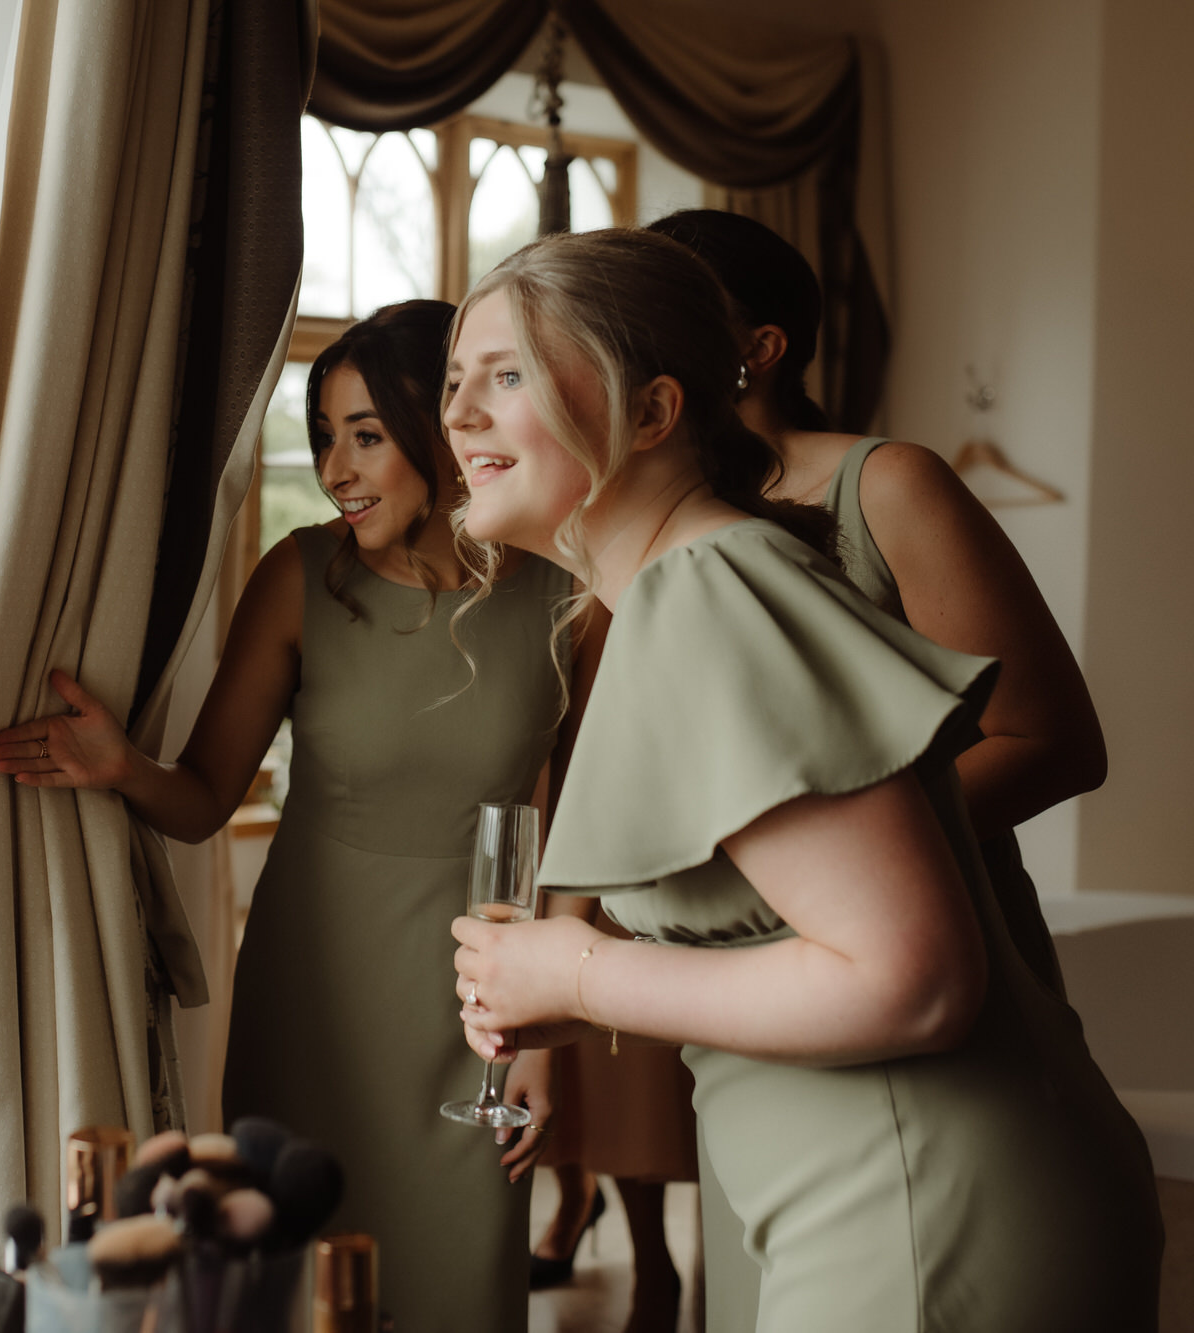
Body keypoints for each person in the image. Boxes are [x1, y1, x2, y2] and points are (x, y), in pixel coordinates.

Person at [443, 229, 1162, 1332]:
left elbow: (910, 979)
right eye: (455, 382)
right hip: (882, 1191)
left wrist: (579, 973)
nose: (458, 416)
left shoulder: (709, 586)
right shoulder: (683, 586)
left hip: (917, 1203)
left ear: (650, 412)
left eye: (507, 374)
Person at [0, 300, 572, 1332]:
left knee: (462, 1287)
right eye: (322, 439)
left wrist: (546, 1032)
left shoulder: (568, 596)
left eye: (365, 436)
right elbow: (205, 799)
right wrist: (121, 765)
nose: (335, 469)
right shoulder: (297, 578)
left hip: (479, 1011)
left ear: (443, 430)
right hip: (316, 997)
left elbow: (579, 825)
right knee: (288, 1284)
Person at [645, 207, 1109, 1330]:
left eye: (666, 315)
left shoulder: (886, 484)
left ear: (759, 349)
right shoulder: (654, 516)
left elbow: (1051, 736)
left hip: (921, 958)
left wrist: (834, 863)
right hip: (749, 1012)